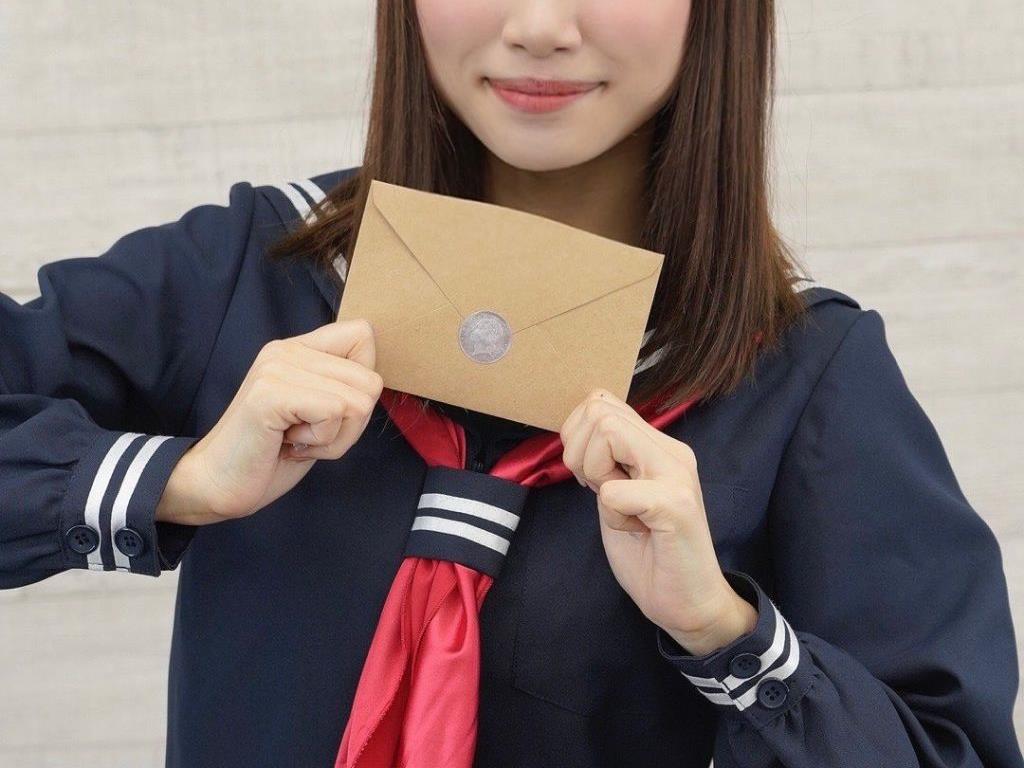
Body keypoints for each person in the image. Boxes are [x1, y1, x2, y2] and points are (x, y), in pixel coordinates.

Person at [1, 1, 1021, 766]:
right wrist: (178, 483)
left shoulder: (802, 376)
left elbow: (949, 747)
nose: (538, 26)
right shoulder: (250, 272)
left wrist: (724, 632)